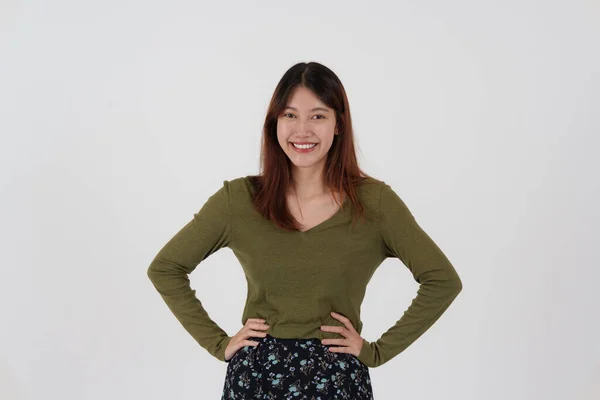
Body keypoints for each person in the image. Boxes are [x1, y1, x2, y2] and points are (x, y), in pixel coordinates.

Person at [146, 61, 463, 399]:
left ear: (338, 124)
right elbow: (165, 268)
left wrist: (376, 352)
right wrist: (217, 343)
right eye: (290, 115)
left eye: (318, 116)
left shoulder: (374, 204)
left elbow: (442, 281)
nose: (302, 130)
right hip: (257, 378)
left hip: (337, 380)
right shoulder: (238, 200)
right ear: (275, 123)